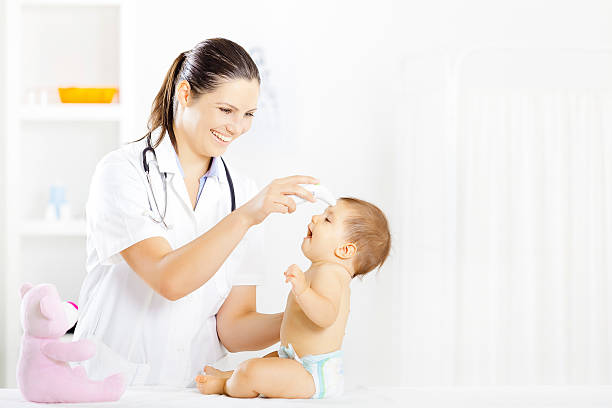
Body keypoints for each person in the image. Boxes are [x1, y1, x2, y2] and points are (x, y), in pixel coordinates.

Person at [73, 38, 319, 386]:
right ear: (185, 94)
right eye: (226, 110)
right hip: (111, 386)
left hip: (190, 387)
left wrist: (306, 317)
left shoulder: (243, 194)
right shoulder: (122, 172)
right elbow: (168, 280)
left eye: (248, 114)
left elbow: (232, 327)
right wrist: (246, 216)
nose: (237, 127)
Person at [195, 197, 391, 399]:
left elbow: (326, 316)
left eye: (327, 220)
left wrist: (303, 290)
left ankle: (226, 385)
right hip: (295, 360)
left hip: (312, 373)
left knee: (253, 370)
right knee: (264, 364)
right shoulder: (323, 270)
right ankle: (232, 375)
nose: (315, 217)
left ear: (345, 250)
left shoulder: (331, 274)